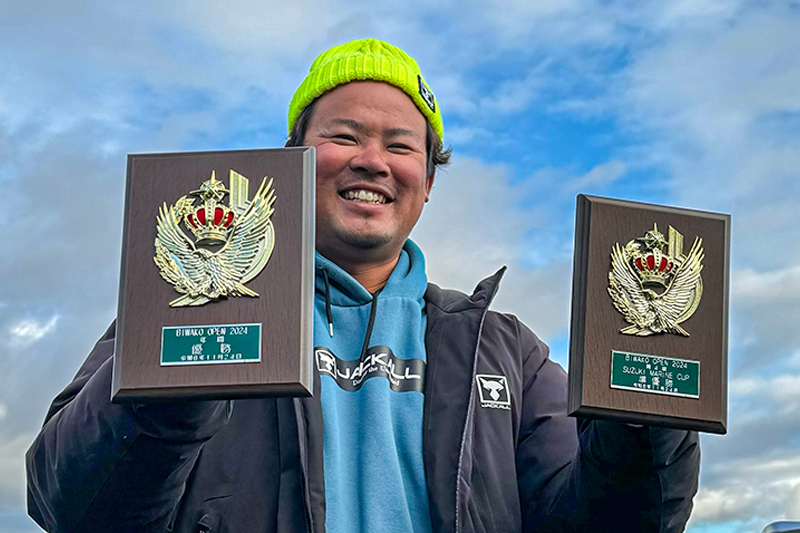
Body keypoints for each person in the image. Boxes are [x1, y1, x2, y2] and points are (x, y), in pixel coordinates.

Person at [26, 39, 700, 533]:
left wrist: (645, 429)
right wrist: (171, 389)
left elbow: (603, 520)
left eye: (401, 146)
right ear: (291, 163)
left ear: (427, 184)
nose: (373, 160)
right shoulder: (181, 308)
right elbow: (69, 507)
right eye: (344, 136)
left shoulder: (507, 350)